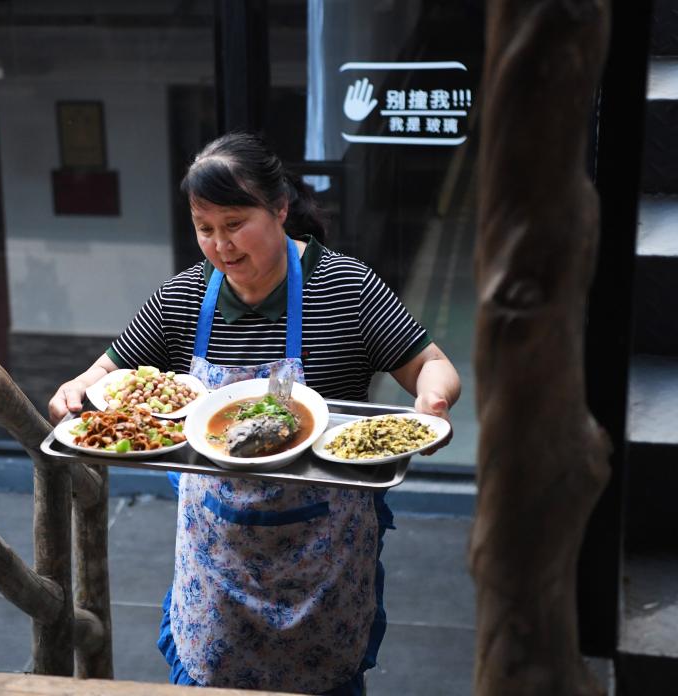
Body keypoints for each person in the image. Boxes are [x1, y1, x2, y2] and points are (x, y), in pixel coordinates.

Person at [49, 132, 460, 695]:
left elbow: (431, 364)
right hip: (217, 566)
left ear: (281, 209)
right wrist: (75, 390)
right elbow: (104, 374)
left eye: (235, 223)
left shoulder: (345, 288)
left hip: (325, 563)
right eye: (205, 228)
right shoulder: (184, 299)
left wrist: (432, 401)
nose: (220, 245)